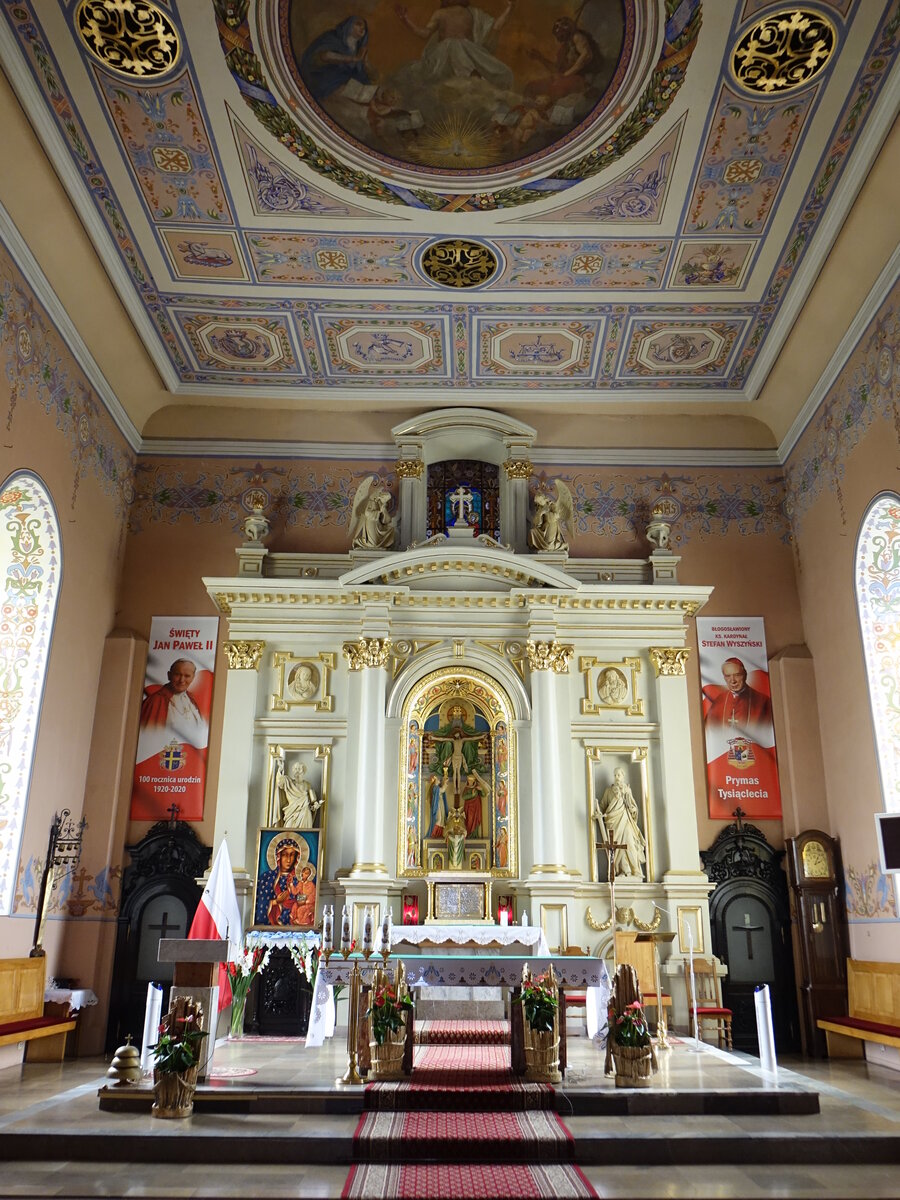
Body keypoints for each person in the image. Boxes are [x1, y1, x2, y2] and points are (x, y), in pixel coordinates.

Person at [394, 0, 516, 90]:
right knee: (454, 45)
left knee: (502, 72)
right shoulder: (440, 13)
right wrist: (406, 21)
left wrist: (509, 9)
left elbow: (496, 27)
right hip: (444, 57)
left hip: (468, 52)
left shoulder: (474, 13)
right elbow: (425, 33)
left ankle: (473, 77)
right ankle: (470, 76)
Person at [139, 658, 208, 749]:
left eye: (187, 676)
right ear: (169, 675)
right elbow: (147, 739)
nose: (182, 680)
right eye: (177, 675)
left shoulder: (192, 699)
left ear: (193, 678)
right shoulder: (155, 701)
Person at [300, 16, 370, 102]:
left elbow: (358, 71)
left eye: (364, 28)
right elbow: (324, 56)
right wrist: (353, 58)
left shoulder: (358, 48)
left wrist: (365, 63)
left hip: (344, 79)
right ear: (348, 24)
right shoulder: (334, 37)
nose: (362, 29)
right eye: (358, 24)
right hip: (325, 75)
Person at [593, 767, 645, 880]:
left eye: (619, 775)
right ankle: (624, 870)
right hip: (613, 823)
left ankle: (635, 870)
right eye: (615, 775)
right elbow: (602, 806)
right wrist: (599, 813)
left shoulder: (627, 790)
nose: (617, 777)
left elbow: (633, 806)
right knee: (617, 847)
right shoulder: (608, 791)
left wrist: (633, 810)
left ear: (623, 776)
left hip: (625, 820)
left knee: (629, 842)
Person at [704, 657, 772, 736]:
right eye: (728, 676)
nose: (733, 681)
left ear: (745, 675)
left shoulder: (763, 701)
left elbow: (767, 733)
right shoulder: (720, 699)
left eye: (737, 675)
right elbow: (708, 732)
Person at [255, 837, 308, 926]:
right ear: (278, 856)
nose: (288, 860)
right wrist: (276, 901)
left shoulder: (299, 879)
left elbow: (305, 899)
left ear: (297, 857)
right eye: (284, 855)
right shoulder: (267, 878)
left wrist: (294, 899)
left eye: (292, 855)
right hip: (271, 929)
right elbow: (260, 905)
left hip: (294, 925)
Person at [275, 759, 321, 828]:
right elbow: (279, 782)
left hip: (305, 813)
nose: (297, 771)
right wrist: (280, 769)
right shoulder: (288, 782)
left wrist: (315, 805)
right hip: (291, 812)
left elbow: (313, 800)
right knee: (287, 830)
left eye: (299, 768)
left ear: (303, 771)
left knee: (305, 835)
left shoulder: (307, 785)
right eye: (295, 768)